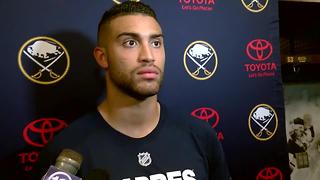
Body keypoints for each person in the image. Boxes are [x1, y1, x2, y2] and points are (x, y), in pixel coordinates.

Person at [35, 1, 230, 179]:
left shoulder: (200, 135)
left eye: (156, 43)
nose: (148, 56)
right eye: (130, 43)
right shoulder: (66, 152)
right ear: (102, 57)